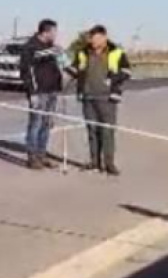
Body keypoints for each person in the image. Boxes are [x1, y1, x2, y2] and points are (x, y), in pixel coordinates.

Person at [66, 25, 133, 176]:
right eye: (91, 38)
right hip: (88, 97)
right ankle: (94, 161)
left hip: (107, 98)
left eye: (96, 38)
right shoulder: (83, 52)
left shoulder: (116, 52)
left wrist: (112, 79)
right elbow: (76, 69)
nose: (93, 41)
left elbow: (127, 71)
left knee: (107, 131)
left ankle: (109, 163)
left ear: (104, 37)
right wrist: (67, 71)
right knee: (92, 130)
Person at [19, 19, 64, 170]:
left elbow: (54, 66)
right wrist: (32, 93)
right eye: (54, 32)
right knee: (36, 123)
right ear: (45, 32)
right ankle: (32, 157)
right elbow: (26, 72)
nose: (56, 35)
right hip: (38, 92)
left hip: (52, 90)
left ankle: (42, 154)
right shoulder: (30, 47)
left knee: (46, 123)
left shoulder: (50, 47)